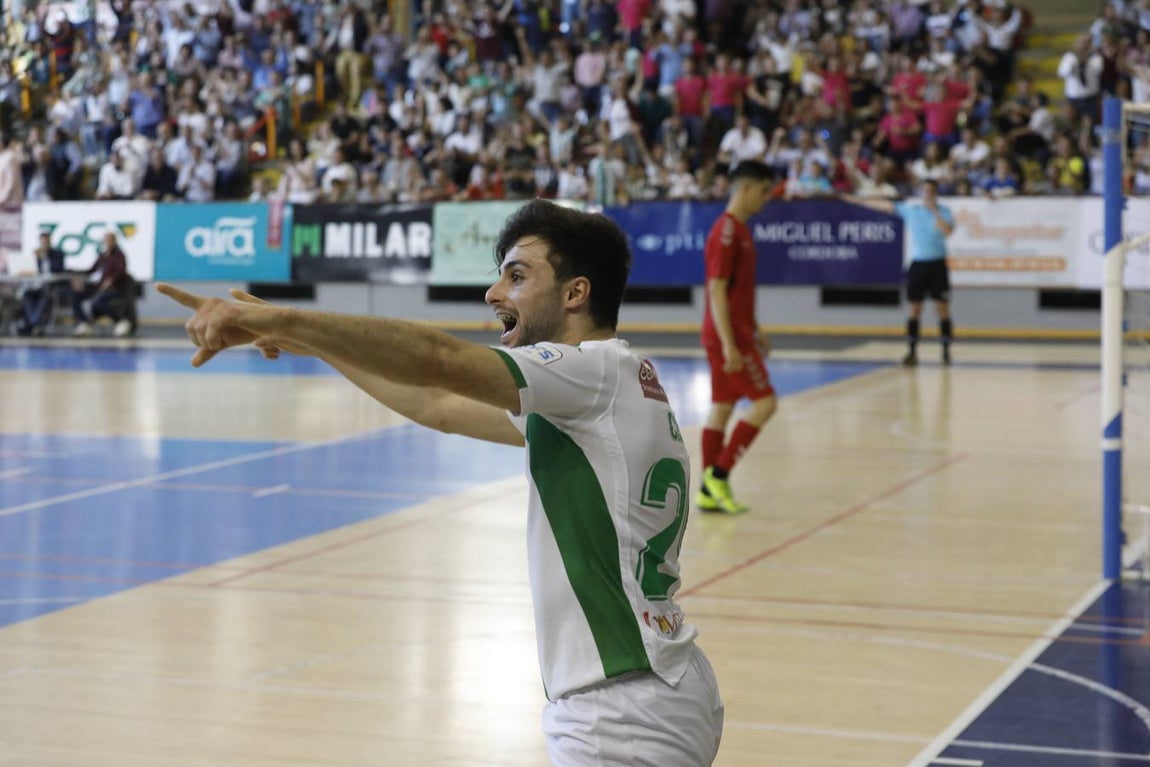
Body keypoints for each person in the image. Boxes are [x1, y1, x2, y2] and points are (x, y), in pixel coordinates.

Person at [157, 200, 725, 767]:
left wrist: (284, 320)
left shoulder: (587, 372)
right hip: (660, 686)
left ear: (576, 294)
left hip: (620, 711)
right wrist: (314, 342)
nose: (494, 293)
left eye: (517, 276)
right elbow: (438, 404)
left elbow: (437, 360)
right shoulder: (604, 385)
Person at [698, 160, 780, 516]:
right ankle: (719, 472)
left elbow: (736, 292)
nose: (767, 199)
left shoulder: (741, 229)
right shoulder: (727, 232)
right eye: (764, 192)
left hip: (735, 332)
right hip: (728, 335)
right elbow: (715, 290)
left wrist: (757, 328)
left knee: (723, 406)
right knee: (765, 403)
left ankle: (706, 489)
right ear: (746, 189)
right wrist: (732, 343)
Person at [845, 180, 956, 365]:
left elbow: (947, 231)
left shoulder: (944, 212)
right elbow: (885, 206)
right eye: (925, 191)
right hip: (919, 264)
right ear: (921, 193)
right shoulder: (911, 210)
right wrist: (857, 201)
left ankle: (945, 351)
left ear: (935, 193)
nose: (927, 194)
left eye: (931, 191)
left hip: (938, 265)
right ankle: (912, 351)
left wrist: (933, 211)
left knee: (942, 309)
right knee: (915, 309)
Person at [70, 231, 135, 338]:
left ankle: (121, 320)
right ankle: (85, 323)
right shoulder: (103, 256)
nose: (108, 243)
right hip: (99, 287)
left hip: (114, 289)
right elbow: (91, 270)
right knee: (76, 296)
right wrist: (75, 274)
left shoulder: (119, 255)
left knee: (97, 302)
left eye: (110, 240)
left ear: (114, 241)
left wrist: (111, 280)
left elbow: (121, 271)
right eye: (106, 240)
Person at [18, 231, 67, 336]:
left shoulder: (57, 255)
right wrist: (33, 260)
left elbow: (59, 269)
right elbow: (30, 271)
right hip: (35, 285)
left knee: (45, 295)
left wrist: (46, 257)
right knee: (27, 295)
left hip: (50, 286)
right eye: (42, 241)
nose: (44, 244)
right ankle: (35, 324)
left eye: (46, 241)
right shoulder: (35, 255)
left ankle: (32, 324)